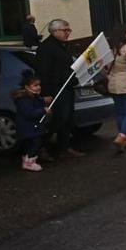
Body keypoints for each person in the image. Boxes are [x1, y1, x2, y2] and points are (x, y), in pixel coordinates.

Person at [35, 19, 84, 159]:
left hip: (67, 87)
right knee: (57, 119)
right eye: (65, 30)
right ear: (55, 31)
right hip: (55, 89)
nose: (68, 32)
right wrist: (45, 93)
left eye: (69, 30)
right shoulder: (46, 48)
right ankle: (40, 147)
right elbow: (43, 71)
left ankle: (65, 147)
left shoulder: (65, 46)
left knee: (68, 118)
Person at [107, 26, 126, 153]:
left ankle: (124, 139)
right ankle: (122, 136)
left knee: (120, 112)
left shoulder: (111, 48)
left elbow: (107, 66)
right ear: (123, 34)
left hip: (113, 84)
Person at [12, 71, 50, 172]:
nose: (38, 87)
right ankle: (29, 161)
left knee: (32, 144)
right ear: (27, 86)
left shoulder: (33, 97)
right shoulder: (24, 99)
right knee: (35, 143)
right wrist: (43, 110)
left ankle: (27, 159)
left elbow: (37, 102)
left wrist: (43, 101)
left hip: (31, 127)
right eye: (35, 85)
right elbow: (29, 113)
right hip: (28, 127)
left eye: (39, 85)